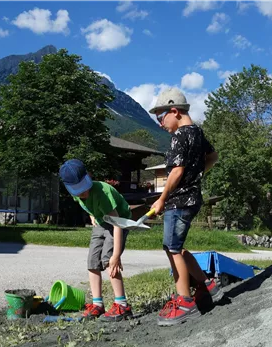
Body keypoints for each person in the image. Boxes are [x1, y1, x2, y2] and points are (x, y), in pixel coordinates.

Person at [148, 87, 223, 326]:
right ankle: (206, 284)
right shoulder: (197, 133)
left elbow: (177, 170)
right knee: (177, 248)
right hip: (192, 198)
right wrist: (197, 176)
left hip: (179, 201)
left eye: (160, 117)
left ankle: (184, 301)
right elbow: (213, 157)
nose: (160, 123)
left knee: (172, 248)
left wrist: (161, 198)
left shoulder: (180, 135)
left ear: (174, 111)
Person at [59, 159, 133, 322]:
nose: (82, 193)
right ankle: (97, 305)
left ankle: (122, 305)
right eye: (78, 190)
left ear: (88, 177)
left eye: (84, 188)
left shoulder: (102, 192)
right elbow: (88, 205)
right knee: (92, 262)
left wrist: (116, 255)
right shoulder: (77, 195)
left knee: (108, 260)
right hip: (101, 221)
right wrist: (93, 215)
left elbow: (118, 224)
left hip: (119, 221)